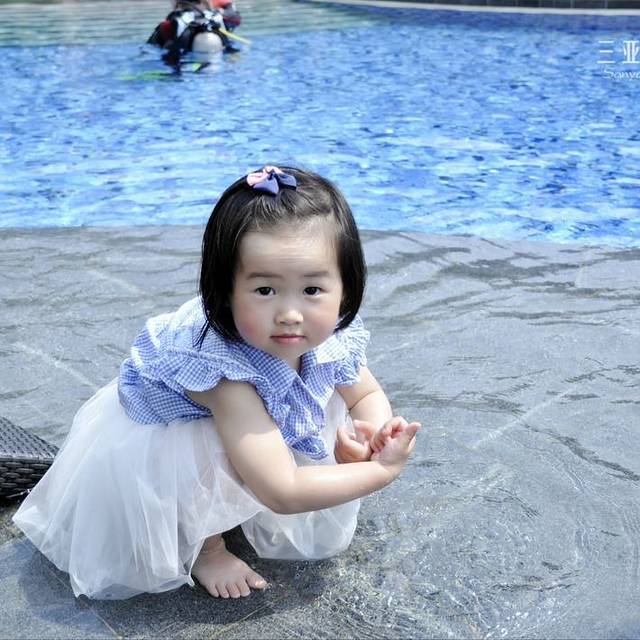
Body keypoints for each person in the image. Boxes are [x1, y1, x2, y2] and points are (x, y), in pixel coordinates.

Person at [13, 166, 421, 600]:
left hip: (251, 406)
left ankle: (249, 474)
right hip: (169, 434)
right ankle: (205, 547)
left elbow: (365, 393)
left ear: (345, 287)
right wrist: (380, 471)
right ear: (225, 292)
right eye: (264, 291)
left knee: (322, 397)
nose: (290, 314)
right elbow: (282, 490)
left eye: (312, 290)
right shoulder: (221, 376)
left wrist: (371, 434)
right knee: (211, 448)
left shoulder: (330, 336)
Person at [147, 0, 242, 60]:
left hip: (184, 67)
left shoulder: (168, 25)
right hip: (218, 60)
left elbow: (149, 48)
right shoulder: (218, 19)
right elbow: (236, 19)